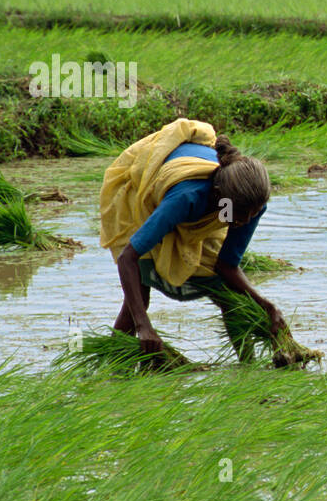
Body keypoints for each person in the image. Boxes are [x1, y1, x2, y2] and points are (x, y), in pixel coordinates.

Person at [99, 118, 314, 367]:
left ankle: (249, 367)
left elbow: (226, 266)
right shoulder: (188, 198)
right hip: (141, 193)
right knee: (140, 293)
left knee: (229, 296)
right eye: (240, 213)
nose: (246, 221)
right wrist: (143, 325)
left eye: (253, 214)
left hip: (206, 203)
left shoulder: (249, 204)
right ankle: (114, 368)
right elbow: (128, 258)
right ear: (221, 199)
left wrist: (268, 307)